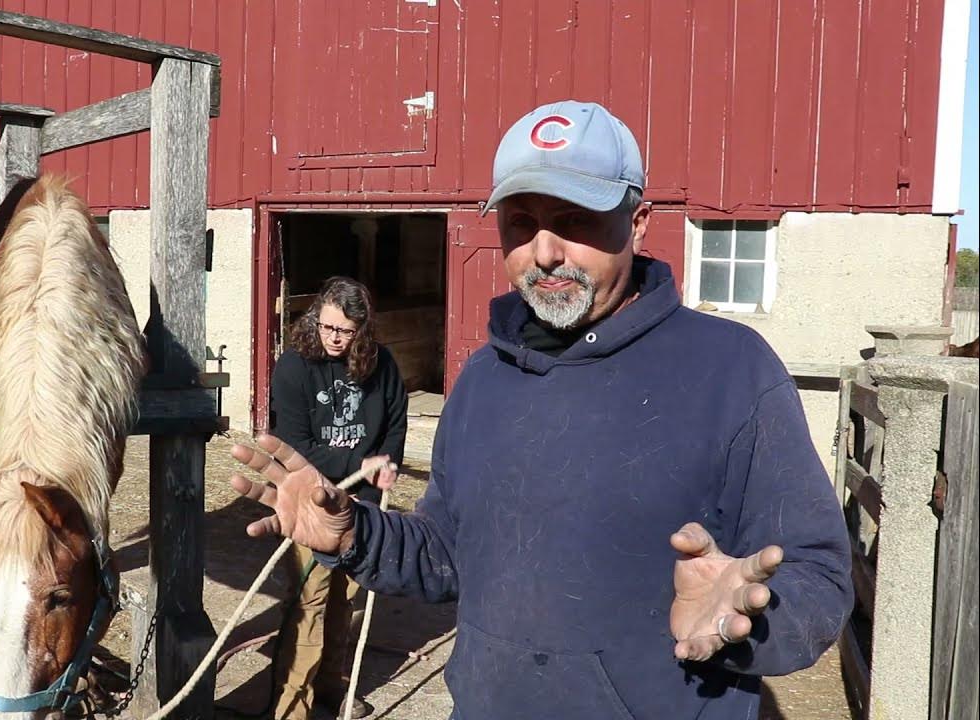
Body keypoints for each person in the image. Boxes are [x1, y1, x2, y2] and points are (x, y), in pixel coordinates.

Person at [231, 101, 853, 719]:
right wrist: (356, 534)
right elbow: (446, 555)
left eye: (575, 219)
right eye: (521, 222)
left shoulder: (733, 371)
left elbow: (819, 581)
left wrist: (744, 619)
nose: (545, 251)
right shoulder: (483, 380)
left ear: (638, 223)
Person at [268, 276, 407, 720]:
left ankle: (330, 687)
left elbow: (397, 419)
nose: (333, 338)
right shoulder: (293, 368)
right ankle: (295, 705)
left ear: (361, 331)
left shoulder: (380, 365)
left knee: (345, 598)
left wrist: (387, 462)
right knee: (310, 599)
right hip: (311, 501)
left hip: (361, 504)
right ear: (316, 320)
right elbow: (295, 443)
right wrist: (359, 463)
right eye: (327, 327)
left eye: (344, 331)